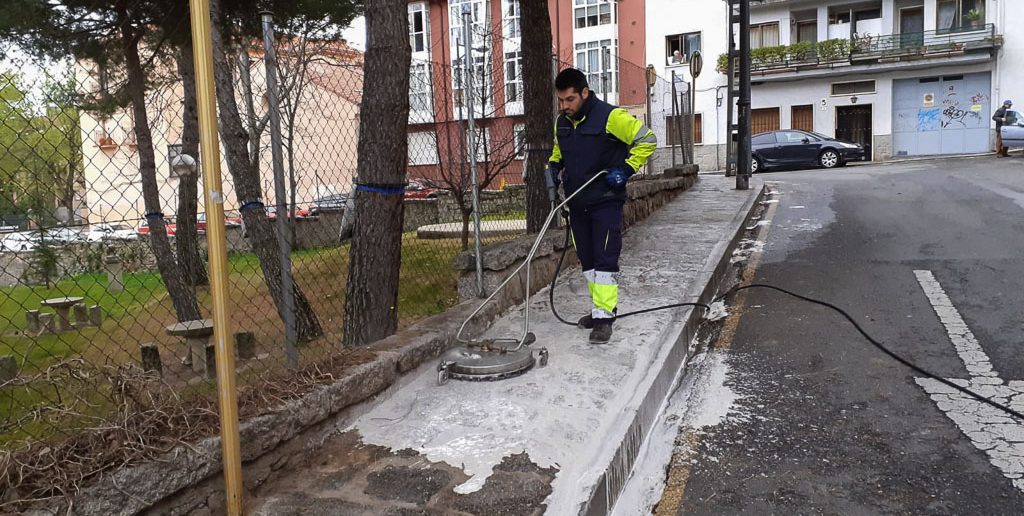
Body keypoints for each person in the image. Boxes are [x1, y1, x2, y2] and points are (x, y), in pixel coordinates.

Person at [547, 68, 657, 344]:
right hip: (578, 202)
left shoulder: (611, 117)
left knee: (605, 260)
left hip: (605, 200)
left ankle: (605, 318)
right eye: (561, 101)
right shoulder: (562, 122)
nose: (565, 106)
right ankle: (600, 309)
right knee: (589, 262)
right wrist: (553, 166)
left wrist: (626, 169)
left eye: (570, 99)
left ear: (585, 92)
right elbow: (559, 151)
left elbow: (648, 140)